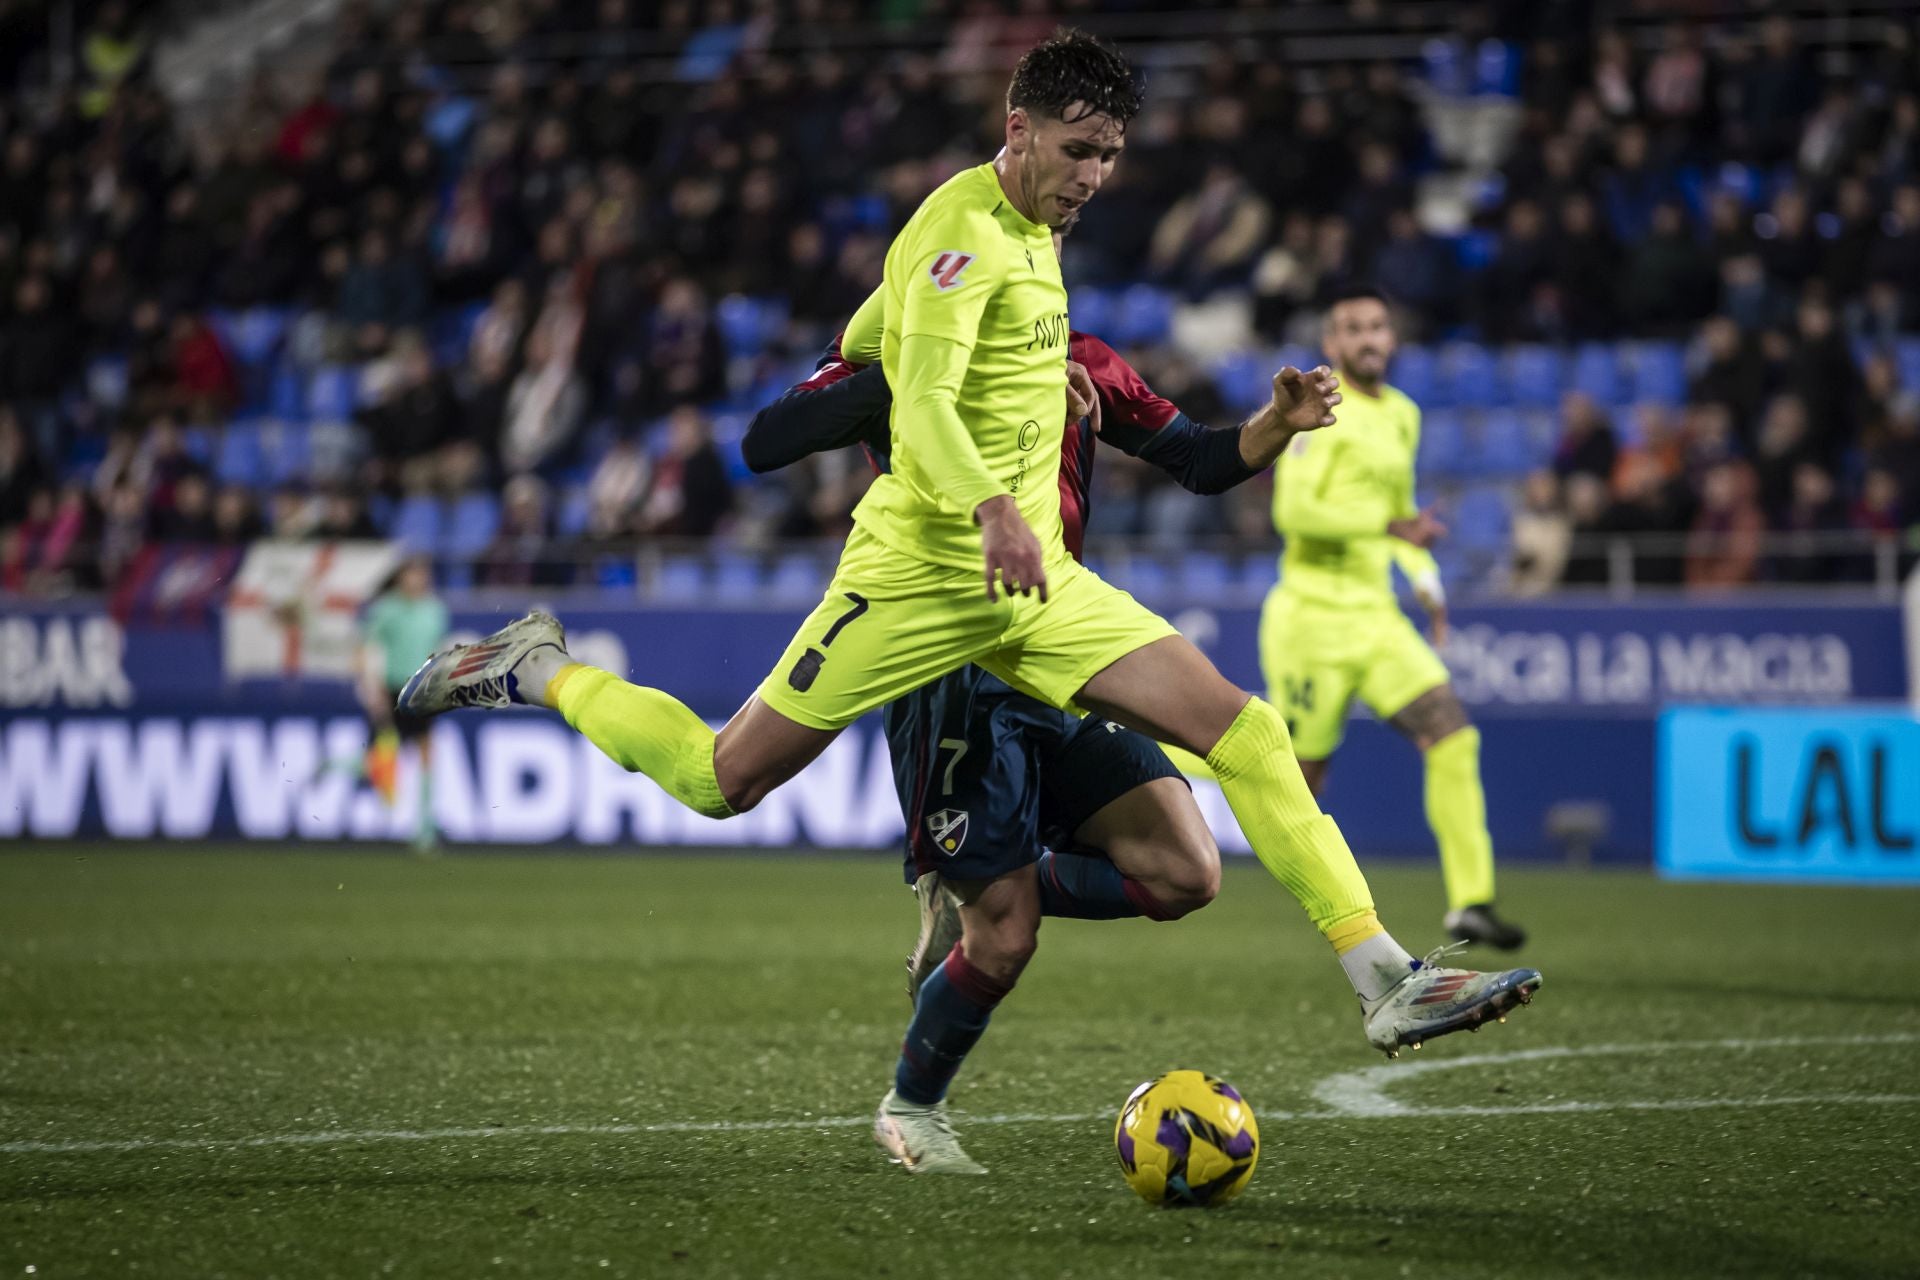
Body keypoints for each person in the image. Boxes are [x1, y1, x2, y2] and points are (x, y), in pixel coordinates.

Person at [399, 29, 1539, 1174]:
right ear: (1018, 128)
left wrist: (1274, 427)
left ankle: (1384, 974)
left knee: (1242, 728)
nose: (1094, 176)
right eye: (1079, 150)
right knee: (719, 777)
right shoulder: (953, 237)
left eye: (1111, 155)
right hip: (921, 585)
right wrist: (981, 490)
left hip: (1040, 590)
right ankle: (538, 666)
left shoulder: (1040, 241)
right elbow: (922, 401)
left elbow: (1169, 445)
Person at [740, 272, 1310, 1009]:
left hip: (1057, 630)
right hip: (945, 652)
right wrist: (907, 376)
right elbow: (768, 440)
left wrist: (1278, 423)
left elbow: (1200, 460)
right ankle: (919, 1100)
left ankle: (992, 886)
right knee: (987, 945)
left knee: (1185, 872)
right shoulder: (902, 359)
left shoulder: (1083, 360)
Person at [1262, 285, 1527, 949]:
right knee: (1293, 773)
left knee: (1452, 734)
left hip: (1376, 615)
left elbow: (1402, 509)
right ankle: (1147, 739)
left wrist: (1427, 580)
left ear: (1393, 338)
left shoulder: (1403, 414)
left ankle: (1471, 902)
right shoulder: (1316, 414)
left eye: (1377, 326)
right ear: (1332, 345)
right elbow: (1292, 515)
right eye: (1352, 329)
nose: (1368, 338)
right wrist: (1387, 526)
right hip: (1312, 616)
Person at [358, 555, 450, 851]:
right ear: (401, 578)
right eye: (414, 573)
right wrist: (371, 688)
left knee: (425, 754)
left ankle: (423, 829)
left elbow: (438, 652)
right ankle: (330, 768)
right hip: (393, 689)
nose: (419, 580)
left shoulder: (435, 610)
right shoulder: (386, 610)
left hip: (422, 690)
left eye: (423, 574)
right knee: (379, 761)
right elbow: (367, 647)